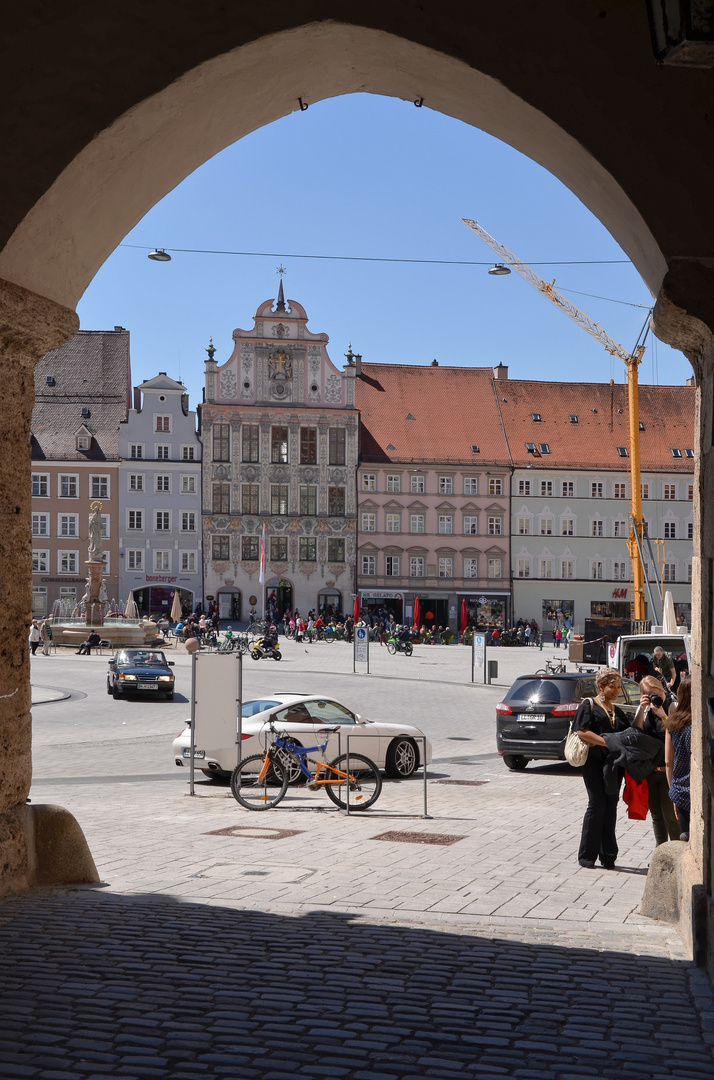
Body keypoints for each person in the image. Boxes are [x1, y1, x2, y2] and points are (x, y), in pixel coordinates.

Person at [572, 667, 642, 869]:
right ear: (601, 687)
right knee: (596, 804)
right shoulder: (589, 705)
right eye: (613, 687)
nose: (617, 691)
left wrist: (643, 709)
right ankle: (587, 855)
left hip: (613, 767)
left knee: (610, 806)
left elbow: (630, 732)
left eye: (619, 687)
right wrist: (607, 742)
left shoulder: (617, 710)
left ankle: (608, 855)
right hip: (593, 763)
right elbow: (582, 731)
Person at [636, 675, 680, 846]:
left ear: (662, 689)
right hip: (651, 771)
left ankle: (676, 853)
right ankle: (659, 854)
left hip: (668, 770)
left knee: (671, 817)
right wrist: (641, 709)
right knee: (656, 816)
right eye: (651, 695)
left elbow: (678, 734)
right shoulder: (646, 710)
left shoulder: (672, 706)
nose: (656, 698)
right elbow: (636, 730)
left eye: (658, 693)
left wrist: (663, 716)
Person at [664, 674, 692, 841]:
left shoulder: (672, 724)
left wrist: (672, 792)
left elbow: (668, 762)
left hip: (680, 791)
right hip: (698, 790)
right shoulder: (700, 722)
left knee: (687, 837)